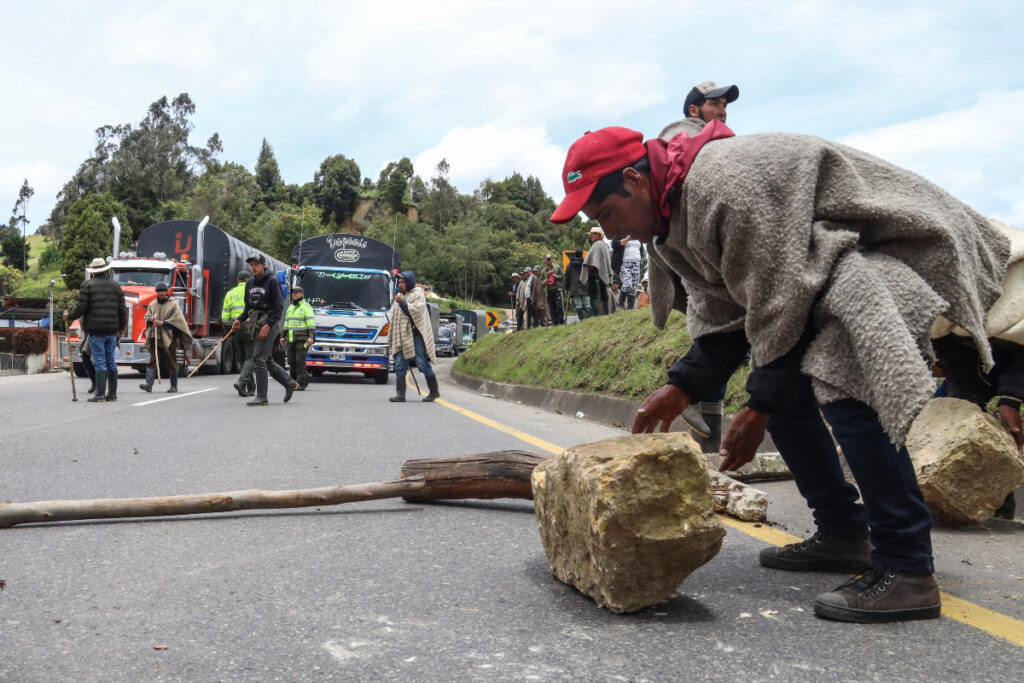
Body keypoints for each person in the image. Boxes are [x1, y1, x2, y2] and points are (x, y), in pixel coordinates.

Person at [549, 124, 1009, 623]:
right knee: (783, 395)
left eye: (608, 215)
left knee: (845, 383)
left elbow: (782, 302)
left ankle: (909, 569)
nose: (612, 232)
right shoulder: (671, 221)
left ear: (636, 181)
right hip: (818, 269)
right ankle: (843, 534)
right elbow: (729, 318)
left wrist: (757, 407)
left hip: (891, 245)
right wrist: (682, 386)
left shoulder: (723, 186)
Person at [931, 218, 1024, 520]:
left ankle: (1000, 501)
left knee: (1006, 427)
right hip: (967, 355)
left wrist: (1011, 400)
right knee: (957, 417)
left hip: (1014, 357)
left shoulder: (1015, 293)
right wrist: (963, 403)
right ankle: (953, 494)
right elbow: (947, 348)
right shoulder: (946, 295)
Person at [230, 254, 299, 406]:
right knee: (267, 360)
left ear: (263, 265)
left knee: (258, 358)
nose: (253, 267)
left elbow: (279, 308)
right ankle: (289, 383)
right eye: (251, 265)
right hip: (256, 323)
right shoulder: (250, 283)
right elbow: (248, 307)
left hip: (270, 323)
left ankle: (262, 397)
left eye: (256, 264)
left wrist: (268, 325)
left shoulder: (272, 281)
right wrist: (239, 320)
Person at [64, 257, 127, 402]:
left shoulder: (87, 285)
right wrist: (121, 328)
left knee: (99, 360)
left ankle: (99, 394)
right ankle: (112, 394)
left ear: (93, 272)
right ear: (106, 271)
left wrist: (70, 316)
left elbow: (81, 308)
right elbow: (121, 310)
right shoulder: (116, 286)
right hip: (112, 330)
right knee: (110, 360)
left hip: (95, 330)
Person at [388, 270, 439, 402]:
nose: (400, 285)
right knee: (399, 365)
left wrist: (403, 303)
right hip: (402, 336)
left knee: (422, 364)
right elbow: (395, 317)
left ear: (409, 282)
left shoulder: (418, 294)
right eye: (399, 282)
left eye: (403, 282)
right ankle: (400, 395)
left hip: (416, 336)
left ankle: (434, 392)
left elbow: (416, 311)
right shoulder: (399, 296)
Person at [139, 282, 193, 393]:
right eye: (158, 291)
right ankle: (148, 385)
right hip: (155, 336)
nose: (160, 293)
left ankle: (174, 386)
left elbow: (178, 320)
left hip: (169, 337)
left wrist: (163, 323)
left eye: (162, 291)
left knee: (170, 360)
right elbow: (147, 316)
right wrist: (150, 320)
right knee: (153, 360)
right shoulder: (152, 304)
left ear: (166, 291)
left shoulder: (173, 304)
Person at [659, 79, 738, 139]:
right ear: (693, 111)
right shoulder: (677, 138)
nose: (723, 113)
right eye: (715, 104)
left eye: (724, 106)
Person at [224, 271, 254, 397]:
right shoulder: (252, 292)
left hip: (235, 328)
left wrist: (227, 332)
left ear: (238, 280)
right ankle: (243, 383)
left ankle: (251, 388)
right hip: (249, 328)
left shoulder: (230, 294)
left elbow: (225, 315)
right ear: (249, 280)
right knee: (251, 358)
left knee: (241, 358)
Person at [283, 285, 316, 390]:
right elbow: (287, 323)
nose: (294, 294)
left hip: (302, 339)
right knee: (291, 361)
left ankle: (301, 383)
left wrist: (311, 337)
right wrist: (282, 336)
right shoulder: (290, 307)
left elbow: (311, 323)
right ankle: (293, 382)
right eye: (293, 293)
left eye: (296, 292)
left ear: (301, 294)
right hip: (291, 338)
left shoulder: (306, 307)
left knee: (299, 360)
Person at [581, 227, 612, 316]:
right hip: (601, 273)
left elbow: (593, 261)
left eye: (593, 233)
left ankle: (597, 315)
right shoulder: (603, 244)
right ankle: (606, 314)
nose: (591, 235)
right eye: (591, 234)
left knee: (592, 295)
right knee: (603, 295)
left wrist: (589, 265)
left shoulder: (597, 245)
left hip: (595, 274)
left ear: (599, 235)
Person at [565, 250, 590, 320]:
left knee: (578, 305)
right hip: (585, 286)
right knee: (587, 305)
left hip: (574, 288)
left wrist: (566, 288)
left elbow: (567, 278)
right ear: (582, 255)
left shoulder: (569, 266)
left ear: (574, 255)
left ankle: (582, 320)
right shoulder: (585, 264)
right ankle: (587, 320)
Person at [544, 255, 564, 325]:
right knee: (551, 308)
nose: (549, 261)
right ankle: (555, 323)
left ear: (552, 260)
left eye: (550, 259)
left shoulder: (557, 267)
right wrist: (544, 281)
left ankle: (561, 322)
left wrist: (557, 276)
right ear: (545, 261)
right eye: (547, 260)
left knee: (559, 306)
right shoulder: (544, 271)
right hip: (549, 291)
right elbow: (540, 281)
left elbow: (563, 277)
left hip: (557, 289)